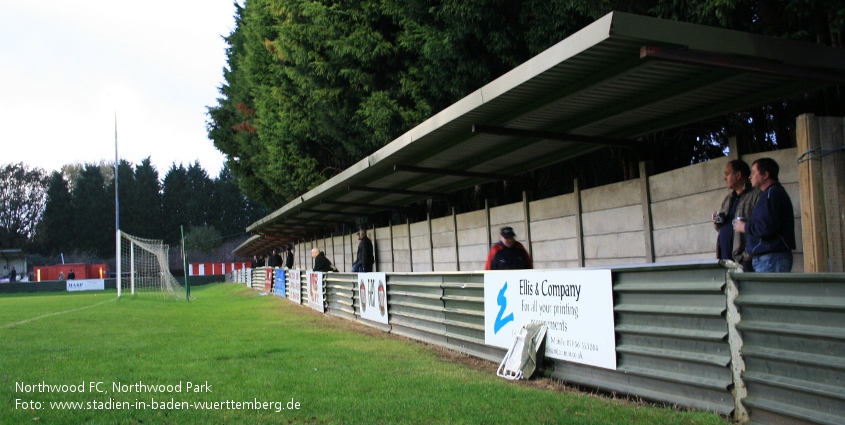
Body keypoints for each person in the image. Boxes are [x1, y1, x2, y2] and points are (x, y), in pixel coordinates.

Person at [733, 157, 796, 272]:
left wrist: (744, 226)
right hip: (770, 258)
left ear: (765, 175)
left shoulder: (771, 195)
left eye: (753, 172)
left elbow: (766, 227)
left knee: (771, 291)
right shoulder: (770, 194)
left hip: (771, 258)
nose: (750, 176)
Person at [713, 159, 759, 271]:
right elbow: (720, 227)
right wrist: (717, 222)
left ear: (738, 175)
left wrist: (747, 255)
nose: (725, 178)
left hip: (743, 260)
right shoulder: (729, 198)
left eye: (727, 174)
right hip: (725, 260)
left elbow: (759, 226)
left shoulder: (756, 195)